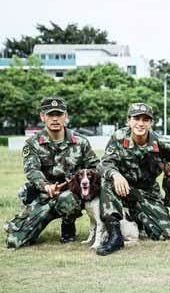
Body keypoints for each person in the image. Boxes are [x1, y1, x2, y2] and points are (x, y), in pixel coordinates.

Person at [96, 103, 170, 256]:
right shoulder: (119, 137)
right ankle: (114, 234)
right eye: (136, 118)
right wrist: (116, 175)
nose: (140, 123)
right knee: (107, 179)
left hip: (146, 192)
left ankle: (134, 217)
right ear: (129, 120)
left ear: (151, 123)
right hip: (122, 188)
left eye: (145, 119)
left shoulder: (161, 143)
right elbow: (104, 164)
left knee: (165, 233)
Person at [4, 97, 99, 248]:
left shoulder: (80, 142)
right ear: (42, 117)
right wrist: (46, 186)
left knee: (68, 198)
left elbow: (95, 168)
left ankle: (68, 227)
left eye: (59, 114)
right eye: (50, 114)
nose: (55, 119)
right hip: (44, 195)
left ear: (66, 116)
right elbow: (31, 170)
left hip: (70, 195)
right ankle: (25, 223)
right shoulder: (33, 143)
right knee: (14, 241)